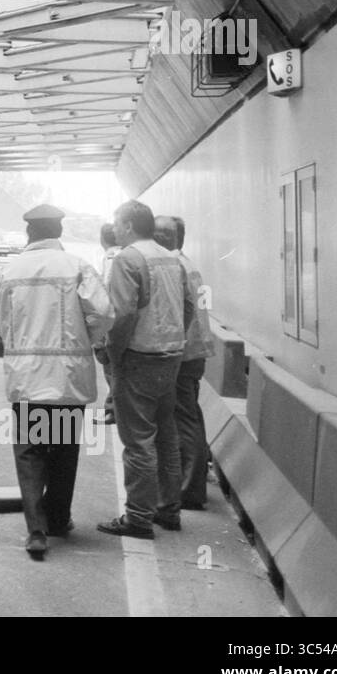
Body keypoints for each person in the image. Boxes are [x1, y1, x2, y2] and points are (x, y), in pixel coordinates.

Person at [0, 203, 113, 559]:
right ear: (59, 232)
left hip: (27, 379)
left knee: (30, 454)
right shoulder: (76, 266)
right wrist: (85, 338)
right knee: (62, 452)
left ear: (30, 232)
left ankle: (36, 531)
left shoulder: (11, 270)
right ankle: (59, 520)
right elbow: (104, 313)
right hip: (65, 379)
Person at [97, 200, 196, 539]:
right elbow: (188, 306)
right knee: (166, 437)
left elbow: (122, 314)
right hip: (170, 357)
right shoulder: (171, 257)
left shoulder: (128, 259)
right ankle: (169, 510)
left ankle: (137, 518)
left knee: (138, 441)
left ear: (127, 225)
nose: (115, 228)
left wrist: (113, 352)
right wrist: (175, 341)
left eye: (117, 222)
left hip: (138, 359)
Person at [154, 215, 214, 510]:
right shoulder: (184, 263)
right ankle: (192, 482)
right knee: (190, 416)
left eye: (166, 232)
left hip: (183, 353)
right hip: (192, 351)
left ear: (178, 237)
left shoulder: (175, 265)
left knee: (184, 419)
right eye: (156, 232)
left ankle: (188, 489)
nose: (159, 236)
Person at [97, 223, 122, 425]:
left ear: (102, 240)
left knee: (110, 368)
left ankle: (113, 410)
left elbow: (105, 292)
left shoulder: (110, 257)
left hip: (113, 323)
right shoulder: (126, 253)